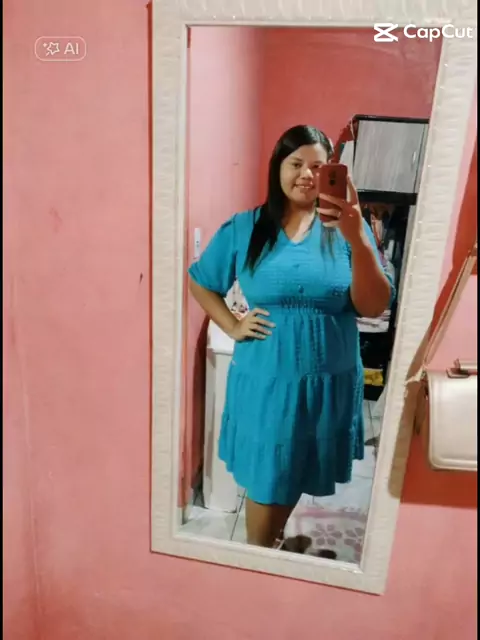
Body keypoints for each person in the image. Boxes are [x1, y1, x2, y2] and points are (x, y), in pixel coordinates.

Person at [188, 125, 394, 549]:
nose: (306, 175)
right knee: (268, 482)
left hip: (328, 385)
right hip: (267, 383)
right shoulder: (246, 228)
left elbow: (373, 305)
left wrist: (357, 237)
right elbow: (201, 281)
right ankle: (259, 559)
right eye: (296, 163)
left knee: (298, 471)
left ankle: (274, 541)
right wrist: (232, 324)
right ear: (277, 168)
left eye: (318, 167)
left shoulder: (347, 230)